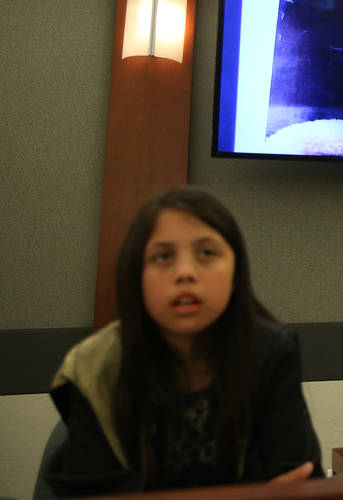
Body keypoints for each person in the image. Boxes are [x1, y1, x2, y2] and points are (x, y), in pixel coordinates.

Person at [45, 187, 325, 496]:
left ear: (236, 272)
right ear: (136, 276)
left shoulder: (272, 350)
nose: (185, 273)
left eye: (207, 253)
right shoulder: (93, 366)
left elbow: (300, 484)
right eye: (163, 257)